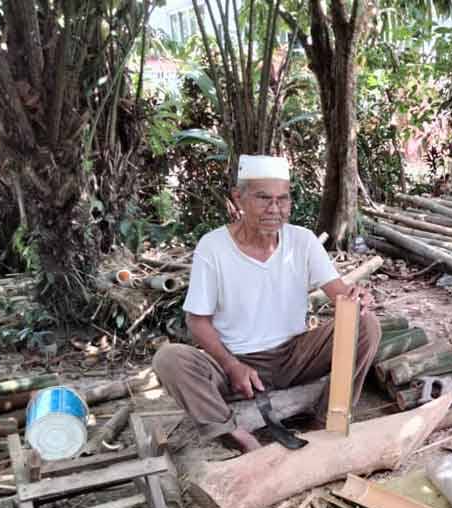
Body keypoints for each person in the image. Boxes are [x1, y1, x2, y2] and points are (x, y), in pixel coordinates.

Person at [153, 155, 381, 453]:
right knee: (169, 359)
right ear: (239, 198)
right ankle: (235, 435)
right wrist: (231, 365)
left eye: (282, 200)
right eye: (263, 198)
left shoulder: (303, 241)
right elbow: (197, 321)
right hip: (235, 363)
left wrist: (356, 298)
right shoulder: (213, 247)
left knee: (366, 326)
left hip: (295, 356)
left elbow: (341, 295)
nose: (274, 209)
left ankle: (327, 419)